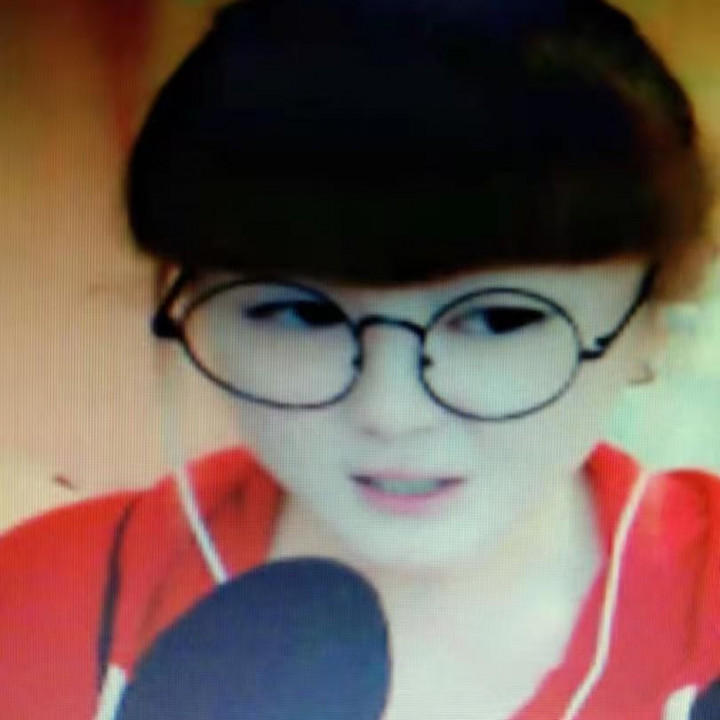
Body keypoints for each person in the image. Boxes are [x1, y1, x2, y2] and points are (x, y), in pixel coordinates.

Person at [1, 0, 719, 718]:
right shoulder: (40, 606)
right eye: (301, 314)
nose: (391, 412)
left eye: (497, 320)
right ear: (187, 304)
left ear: (655, 319)